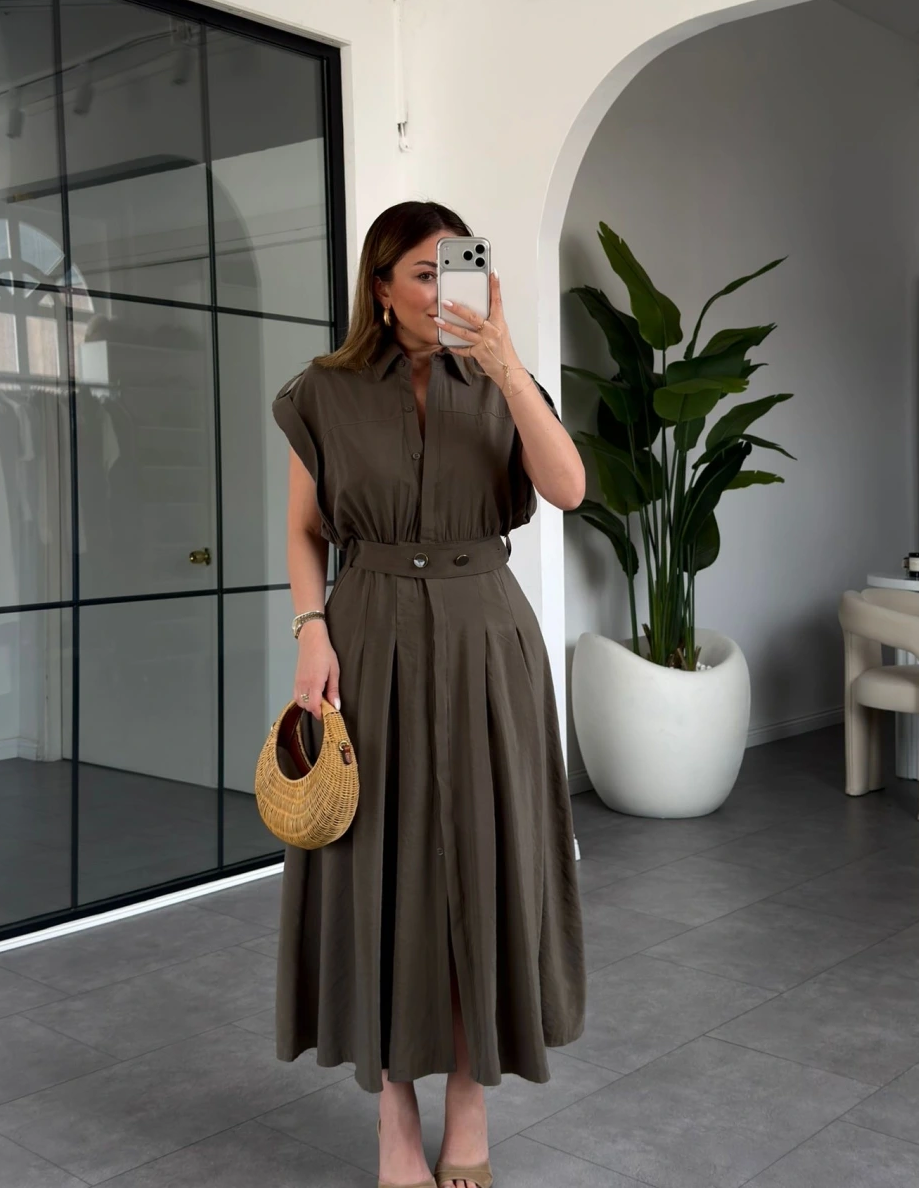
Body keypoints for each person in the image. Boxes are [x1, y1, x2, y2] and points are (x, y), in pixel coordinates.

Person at [271, 201, 587, 1188]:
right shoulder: (321, 394)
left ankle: (469, 1096)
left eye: (462, 265)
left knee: (482, 863)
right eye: (425, 270)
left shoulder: (501, 379)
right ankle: (394, 1112)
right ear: (381, 288)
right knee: (380, 867)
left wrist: (506, 364)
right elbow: (304, 530)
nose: (449, 284)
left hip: (485, 635)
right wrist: (310, 630)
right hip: (366, 634)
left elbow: (568, 489)